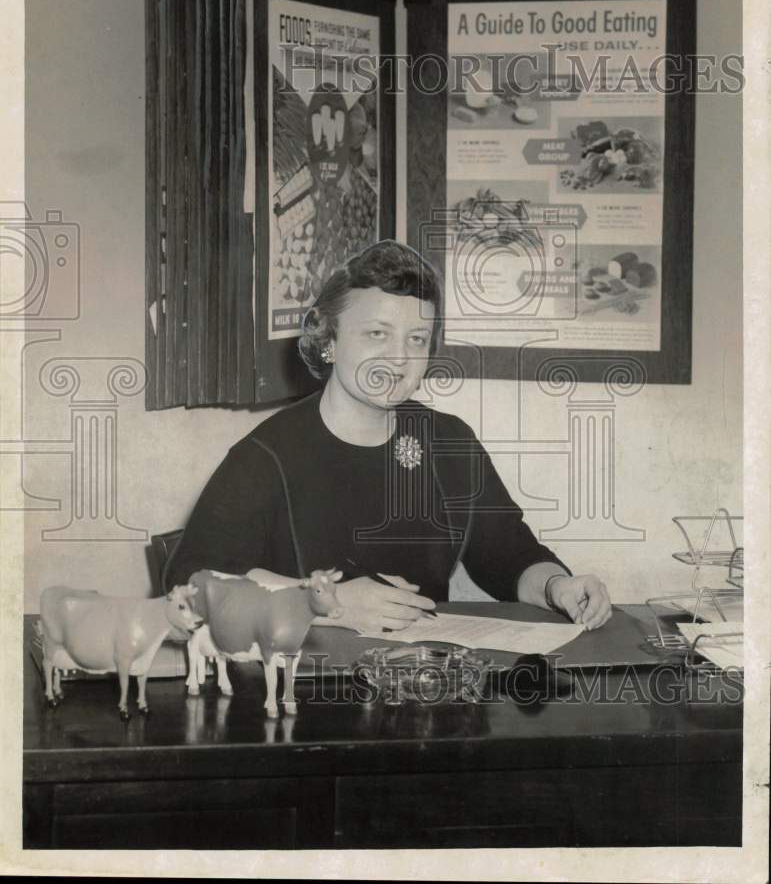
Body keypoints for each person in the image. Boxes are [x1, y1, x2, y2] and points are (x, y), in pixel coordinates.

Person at [164, 240, 611, 634]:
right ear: (330, 341)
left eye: (417, 339)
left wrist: (557, 586)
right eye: (377, 334)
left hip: (425, 685)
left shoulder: (449, 441)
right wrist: (322, 603)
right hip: (304, 689)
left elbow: (509, 554)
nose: (399, 358)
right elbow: (191, 580)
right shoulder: (266, 456)